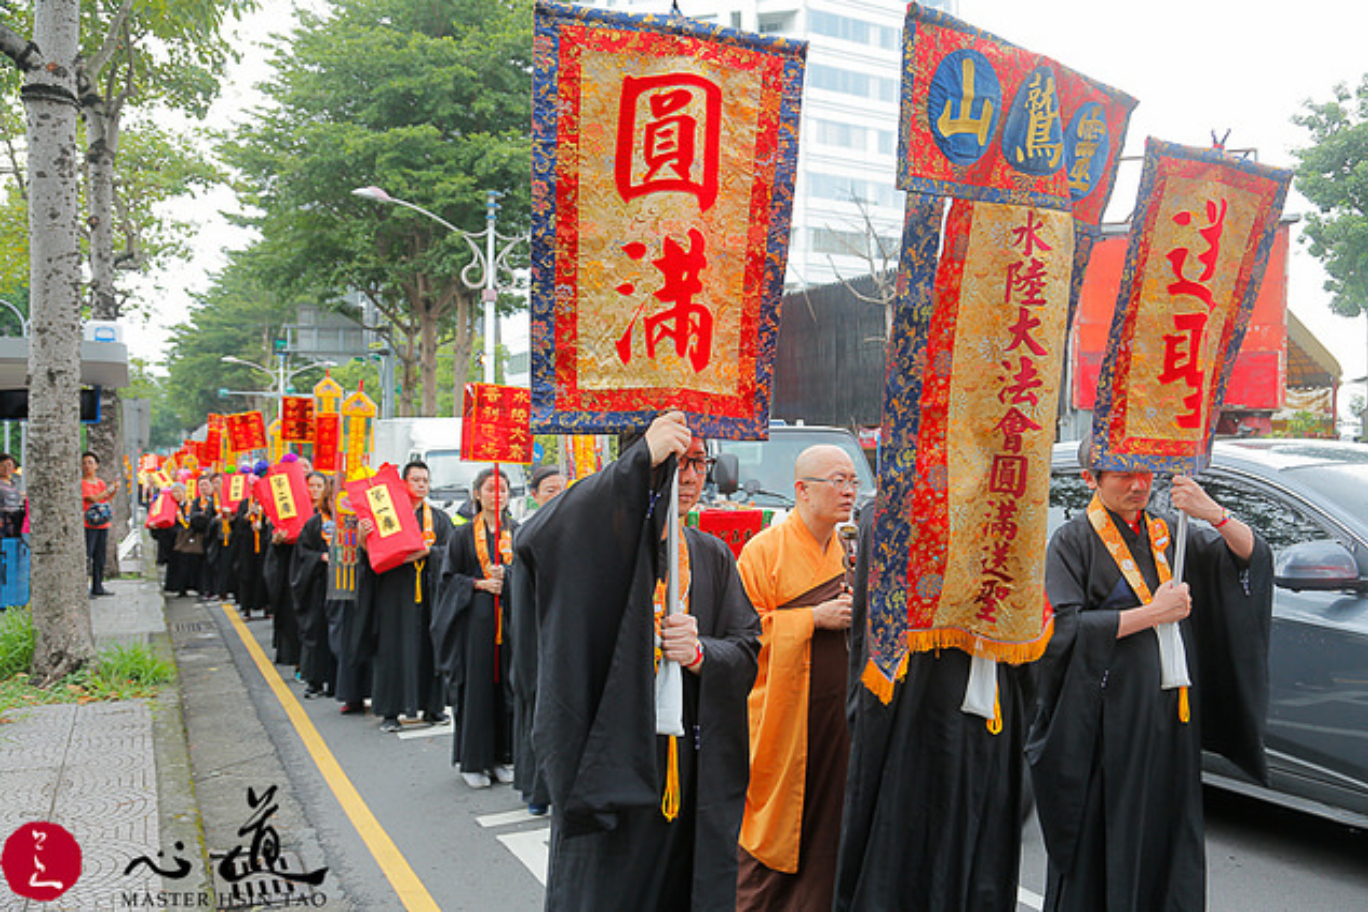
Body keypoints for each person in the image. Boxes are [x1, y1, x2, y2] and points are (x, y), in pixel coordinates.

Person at [518, 412, 759, 911]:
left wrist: (699, 654)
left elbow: (746, 647)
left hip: (685, 763)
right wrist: (642, 458)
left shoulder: (711, 554)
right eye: (678, 461)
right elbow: (534, 539)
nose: (690, 477)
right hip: (609, 761)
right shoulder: (600, 544)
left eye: (700, 462)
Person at [1027, 440, 1273, 911]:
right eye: (1123, 475)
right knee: (1106, 843)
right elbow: (1062, 630)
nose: (1139, 485)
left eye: (1145, 473)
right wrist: (1151, 613)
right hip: (1108, 725)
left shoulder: (1168, 533)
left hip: (1170, 718)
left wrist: (1213, 513)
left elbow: (1251, 559)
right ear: (1090, 480)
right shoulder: (1072, 541)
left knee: (1169, 835)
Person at [835, 506, 1034, 911]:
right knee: (915, 850)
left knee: (982, 853)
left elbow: (1032, 621)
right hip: (919, 713)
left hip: (992, 707)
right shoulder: (897, 510)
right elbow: (882, 633)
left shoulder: (1010, 513)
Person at [735, 444, 857, 911]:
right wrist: (811, 619)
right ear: (802, 490)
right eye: (838, 481)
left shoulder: (850, 550)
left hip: (837, 713)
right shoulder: (762, 551)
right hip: (785, 717)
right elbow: (744, 636)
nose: (848, 491)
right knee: (778, 826)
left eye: (852, 481)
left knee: (831, 823)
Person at [353, 460, 453, 733]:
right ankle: (390, 711)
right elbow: (372, 557)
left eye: (426, 480)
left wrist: (427, 553)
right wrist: (363, 539)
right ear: (402, 483)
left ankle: (433, 708)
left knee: (430, 649)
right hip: (395, 594)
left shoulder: (440, 519)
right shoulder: (387, 516)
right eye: (416, 480)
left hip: (430, 594)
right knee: (393, 651)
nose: (422, 485)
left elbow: (450, 554)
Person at [438, 467, 517, 789]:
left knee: (507, 692)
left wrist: (508, 581)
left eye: (502, 489)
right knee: (477, 691)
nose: (496, 495)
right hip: (476, 627)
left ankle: (503, 757)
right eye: (489, 489)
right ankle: (474, 761)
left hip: (510, 624)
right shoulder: (461, 535)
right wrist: (479, 584)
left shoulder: (518, 531)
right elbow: (447, 580)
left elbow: (531, 575)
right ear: (477, 494)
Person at [292, 472, 338, 699]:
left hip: (343, 587)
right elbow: (302, 553)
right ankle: (315, 681)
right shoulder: (313, 524)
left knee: (339, 633)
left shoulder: (350, 524)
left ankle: (338, 682)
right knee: (316, 632)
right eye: (332, 500)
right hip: (318, 585)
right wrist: (320, 558)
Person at [81, 450, 119, 597]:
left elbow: (106, 501)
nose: (87, 466)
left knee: (100, 557)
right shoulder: (83, 483)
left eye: (90, 462)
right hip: (88, 525)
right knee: (87, 556)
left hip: (102, 524)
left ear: (97, 465)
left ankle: (98, 586)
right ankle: (84, 588)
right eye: (84, 463)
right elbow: (94, 499)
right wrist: (108, 489)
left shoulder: (100, 482)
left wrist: (114, 490)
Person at [0, 453, 25, 538]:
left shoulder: (15, 482)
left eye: (9, 465)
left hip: (16, 519)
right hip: (2, 519)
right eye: (2, 465)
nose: (6, 468)